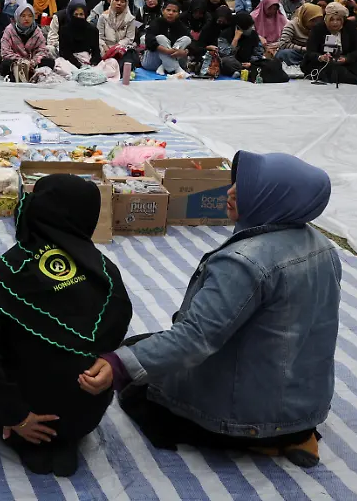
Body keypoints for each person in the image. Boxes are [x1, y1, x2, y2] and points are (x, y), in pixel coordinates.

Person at [79, 151, 339, 469]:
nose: (229, 192)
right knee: (150, 349)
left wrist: (118, 366)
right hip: (304, 405)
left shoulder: (245, 261)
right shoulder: (323, 247)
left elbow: (195, 338)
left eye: (245, 188)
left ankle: (258, 441)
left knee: (136, 381)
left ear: (273, 197)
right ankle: (297, 435)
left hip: (248, 416)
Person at [0, 175, 132, 477]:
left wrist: (14, 415)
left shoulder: (8, 271)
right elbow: (115, 332)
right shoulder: (104, 271)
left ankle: (24, 436)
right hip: (81, 415)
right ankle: (61, 441)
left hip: (26, 418)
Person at [302, 2, 357, 87]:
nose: (335, 23)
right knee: (334, 69)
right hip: (323, 64)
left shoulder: (349, 27)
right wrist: (321, 57)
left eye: (338, 20)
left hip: (346, 62)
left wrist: (347, 58)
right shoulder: (318, 29)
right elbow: (310, 52)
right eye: (331, 20)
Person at [0, 1, 52, 82]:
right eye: (23, 16)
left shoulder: (37, 31)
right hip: (15, 62)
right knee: (5, 64)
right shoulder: (9, 30)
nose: (26, 19)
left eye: (30, 16)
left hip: (33, 64)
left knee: (49, 62)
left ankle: (33, 75)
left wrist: (33, 62)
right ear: (17, 17)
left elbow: (42, 50)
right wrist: (22, 62)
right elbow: (5, 51)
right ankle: (14, 76)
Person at [141, 0, 191, 74]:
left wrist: (184, 52)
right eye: (168, 10)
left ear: (178, 14)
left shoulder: (181, 26)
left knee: (187, 39)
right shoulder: (156, 23)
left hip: (175, 57)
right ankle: (176, 68)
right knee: (160, 38)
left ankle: (164, 66)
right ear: (163, 11)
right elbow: (148, 40)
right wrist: (166, 51)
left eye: (174, 11)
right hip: (153, 61)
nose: (171, 13)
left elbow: (193, 45)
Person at [96, 0, 139, 68]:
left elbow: (129, 38)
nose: (119, 3)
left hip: (122, 47)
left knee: (125, 63)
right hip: (104, 47)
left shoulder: (130, 19)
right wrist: (105, 47)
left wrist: (117, 47)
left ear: (126, 4)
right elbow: (99, 36)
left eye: (122, 1)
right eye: (116, 0)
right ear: (112, 2)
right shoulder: (103, 17)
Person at [56, 0, 102, 68]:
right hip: (70, 61)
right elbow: (64, 52)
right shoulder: (64, 30)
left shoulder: (92, 30)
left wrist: (93, 62)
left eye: (81, 14)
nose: (78, 17)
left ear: (85, 15)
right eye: (76, 14)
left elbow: (96, 51)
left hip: (88, 59)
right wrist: (78, 65)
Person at [275, 3, 323, 67]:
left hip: (313, 55)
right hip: (296, 54)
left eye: (318, 20)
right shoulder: (292, 25)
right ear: (305, 17)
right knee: (285, 53)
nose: (316, 23)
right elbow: (284, 44)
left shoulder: (319, 28)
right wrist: (303, 49)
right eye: (313, 20)